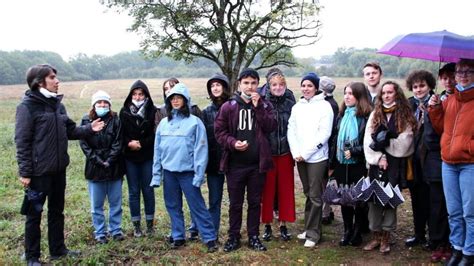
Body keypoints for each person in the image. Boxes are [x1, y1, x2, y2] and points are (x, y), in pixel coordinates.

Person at [15, 64, 104, 265]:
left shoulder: (57, 105)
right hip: (38, 173)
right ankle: (32, 257)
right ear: (39, 82)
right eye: (53, 77)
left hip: (58, 170)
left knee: (57, 211)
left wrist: (90, 128)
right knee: (33, 215)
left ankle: (57, 250)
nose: (57, 81)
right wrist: (25, 172)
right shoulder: (27, 106)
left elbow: (71, 131)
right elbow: (22, 142)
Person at [215, 68, 277, 252]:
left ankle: (253, 236)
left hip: (257, 164)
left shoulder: (265, 105)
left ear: (258, 84)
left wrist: (258, 107)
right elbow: (219, 132)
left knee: (254, 202)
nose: (250, 87)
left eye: (253, 83)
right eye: (246, 83)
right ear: (239, 84)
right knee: (235, 203)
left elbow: (270, 126)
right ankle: (233, 237)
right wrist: (233, 143)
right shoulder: (229, 106)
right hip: (235, 165)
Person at [150, 83, 217, 253]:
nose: (176, 101)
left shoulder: (195, 123)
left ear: (186, 100)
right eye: (172, 98)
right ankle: (178, 235)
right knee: (173, 205)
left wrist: (199, 174)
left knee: (197, 205)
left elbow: (201, 150)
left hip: (188, 173)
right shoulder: (164, 124)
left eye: (179, 98)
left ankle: (209, 237)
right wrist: (156, 175)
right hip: (169, 173)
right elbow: (157, 150)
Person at [428, 59, 474, 266]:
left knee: (469, 212)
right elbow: (442, 130)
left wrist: (467, 148)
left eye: (468, 71)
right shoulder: (450, 100)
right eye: (459, 71)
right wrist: (436, 109)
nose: (463, 75)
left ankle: (469, 253)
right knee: (454, 211)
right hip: (448, 164)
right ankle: (456, 248)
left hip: (469, 164)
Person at [363, 81, 416, 254]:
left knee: (390, 199)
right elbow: (368, 140)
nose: (386, 95)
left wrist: (385, 143)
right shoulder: (375, 114)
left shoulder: (404, 115)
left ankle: (386, 237)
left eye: (390, 92)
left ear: (396, 94)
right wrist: (379, 157)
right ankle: (376, 235)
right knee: (374, 200)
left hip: (395, 164)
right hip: (377, 164)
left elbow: (405, 142)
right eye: (383, 93)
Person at [288, 72, 334, 248]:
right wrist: (296, 152)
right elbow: (291, 129)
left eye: (310, 86)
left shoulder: (324, 106)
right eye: (304, 85)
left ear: (316, 88)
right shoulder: (297, 107)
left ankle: (314, 234)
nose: (306, 89)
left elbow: (324, 134)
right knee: (308, 193)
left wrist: (306, 153)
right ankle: (308, 228)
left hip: (316, 158)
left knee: (315, 196)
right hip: (299, 156)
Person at [188, 73, 231, 241]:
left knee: (236, 200)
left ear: (225, 87)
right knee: (215, 200)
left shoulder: (234, 107)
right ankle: (212, 232)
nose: (215, 88)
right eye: (212, 86)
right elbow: (202, 139)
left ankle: (233, 233)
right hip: (214, 162)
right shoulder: (206, 112)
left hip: (234, 161)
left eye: (218, 85)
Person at [329, 82, 372, 247]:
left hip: (358, 164)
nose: (346, 97)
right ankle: (347, 230)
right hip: (342, 164)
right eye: (345, 93)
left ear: (360, 97)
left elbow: (370, 143)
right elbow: (335, 140)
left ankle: (357, 231)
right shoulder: (342, 115)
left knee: (359, 200)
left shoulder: (367, 116)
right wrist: (332, 162)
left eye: (351, 94)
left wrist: (354, 151)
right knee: (345, 199)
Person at [79, 90, 124, 244]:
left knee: (115, 203)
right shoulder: (86, 121)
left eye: (105, 102)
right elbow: (84, 145)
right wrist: (98, 161)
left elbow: (118, 142)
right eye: (99, 102)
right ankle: (100, 232)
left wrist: (110, 160)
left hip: (114, 167)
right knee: (96, 205)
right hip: (94, 168)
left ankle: (116, 230)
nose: (102, 105)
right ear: (94, 105)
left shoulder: (115, 120)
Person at [260, 70, 296, 242]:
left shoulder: (290, 102)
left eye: (281, 84)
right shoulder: (262, 102)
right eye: (274, 84)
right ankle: (267, 225)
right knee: (267, 190)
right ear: (268, 85)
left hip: (286, 152)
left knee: (285, 190)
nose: (278, 87)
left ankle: (283, 225)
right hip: (268, 153)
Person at [120, 80, 157, 237]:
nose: (138, 96)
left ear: (146, 95)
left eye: (141, 94)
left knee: (148, 190)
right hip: (130, 157)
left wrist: (141, 143)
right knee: (133, 191)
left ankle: (149, 224)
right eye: (135, 94)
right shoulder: (124, 111)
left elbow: (155, 134)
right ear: (130, 95)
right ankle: (136, 225)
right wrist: (129, 143)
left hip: (147, 155)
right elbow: (120, 133)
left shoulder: (153, 111)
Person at [405, 70, 436, 249]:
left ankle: (434, 235)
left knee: (432, 199)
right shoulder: (410, 104)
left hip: (430, 159)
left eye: (422, 86)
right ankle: (419, 234)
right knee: (416, 197)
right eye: (415, 86)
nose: (418, 90)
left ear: (430, 85)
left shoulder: (436, 102)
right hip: (413, 158)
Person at [320, 76, 338, 225]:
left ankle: (325, 213)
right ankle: (327, 211)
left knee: (324, 182)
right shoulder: (333, 103)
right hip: (328, 148)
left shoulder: (327, 105)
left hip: (327, 149)